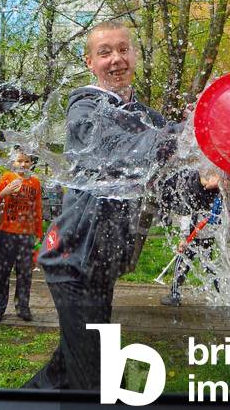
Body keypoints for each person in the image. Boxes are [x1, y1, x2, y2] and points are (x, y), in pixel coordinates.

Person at [25, 20, 180, 390]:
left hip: (100, 264)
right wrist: (188, 137)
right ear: (89, 61)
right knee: (95, 377)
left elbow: (170, 177)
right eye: (105, 52)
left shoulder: (144, 116)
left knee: (72, 364)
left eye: (123, 49)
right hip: (72, 263)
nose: (116, 59)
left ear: (135, 55)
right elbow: (111, 147)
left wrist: (209, 174)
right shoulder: (85, 107)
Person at [0, 151, 43, 323]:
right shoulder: (7, 177)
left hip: (27, 235)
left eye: (26, 161)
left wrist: (38, 234)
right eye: (20, 161)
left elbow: (38, 210)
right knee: (3, 272)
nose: (23, 164)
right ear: (13, 162)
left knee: (25, 273)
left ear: (30, 164)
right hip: (8, 233)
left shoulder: (34, 182)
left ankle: (23, 306)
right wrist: (4, 192)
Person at [160, 169, 223, 307]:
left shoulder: (193, 194)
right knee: (208, 263)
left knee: (181, 262)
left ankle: (174, 295)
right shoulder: (215, 191)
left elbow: (187, 216)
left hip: (195, 234)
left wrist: (183, 239)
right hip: (208, 233)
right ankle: (221, 292)